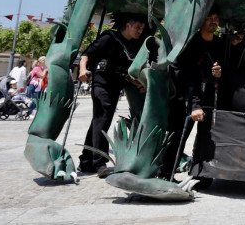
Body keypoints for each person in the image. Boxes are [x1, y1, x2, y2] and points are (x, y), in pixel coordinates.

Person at [78, 14, 148, 178]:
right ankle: (100, 162)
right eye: (138, 27)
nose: (140, 31)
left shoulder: (132, 46)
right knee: (103, 117)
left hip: (116, 85)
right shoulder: (109, 37)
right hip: (101, 82)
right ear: (128, 25)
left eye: (142, 29)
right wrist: (82, 70)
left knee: (99, 120)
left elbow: (127, 72)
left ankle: (86, 160)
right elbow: (86, 54)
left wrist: (138, 84)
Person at [158, 11, 222, 180]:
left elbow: (220, 70)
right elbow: (189, 75)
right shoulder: (189, 43)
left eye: (216, 19)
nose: (213, 22)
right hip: (183, 94)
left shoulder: (219, 44)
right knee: (178, 134)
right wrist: (195, 105)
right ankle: (165, 173)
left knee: (205, 136)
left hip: (207, 95)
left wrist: (218, 73)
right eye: (209, 18)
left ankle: (201, 173)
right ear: (201, 21)